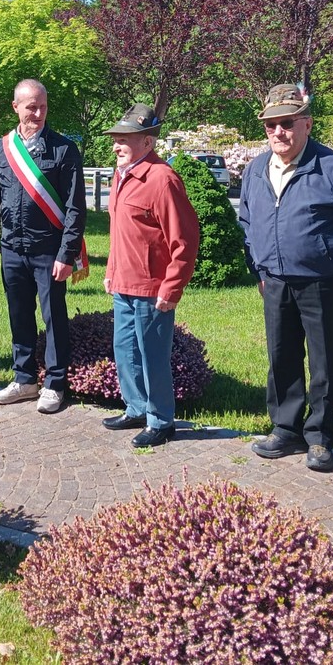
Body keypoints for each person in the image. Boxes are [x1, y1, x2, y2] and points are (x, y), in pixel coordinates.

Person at [239, 84, 333, 472]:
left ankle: (320, 437)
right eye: (270, 126)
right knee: (281, 356)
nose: (278, 133)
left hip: (324, 281)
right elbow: (248, 221)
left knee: (323, 361)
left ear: (306, 123)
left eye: (286, 123)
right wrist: (260, 268)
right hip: (276, 281)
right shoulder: (256, 169)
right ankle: (285, 429)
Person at [0, 78, 87, 415]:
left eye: (42, 106)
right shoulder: (1, 149)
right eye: (31, 107)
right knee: (19, 315)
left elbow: (75, 208)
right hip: (11, 249)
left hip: (48, 251)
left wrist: (66, 254)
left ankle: (55, 384)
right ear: (16, 108)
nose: (38, 113)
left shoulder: (64, 150)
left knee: (53, 317)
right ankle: (24, 379)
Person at [101, 104, 200, 448]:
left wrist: (172, 288)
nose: (116, 145)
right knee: (125, 350)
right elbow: (121, 232)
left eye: (124, 139)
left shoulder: (162, 179)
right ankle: (136, 408)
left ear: (147, 142)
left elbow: (185, 240)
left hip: (152, 289)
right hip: (123, 284)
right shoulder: (122, 174)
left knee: (152, 357)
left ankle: (161, 420)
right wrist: (111, 271)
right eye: (115, 139)